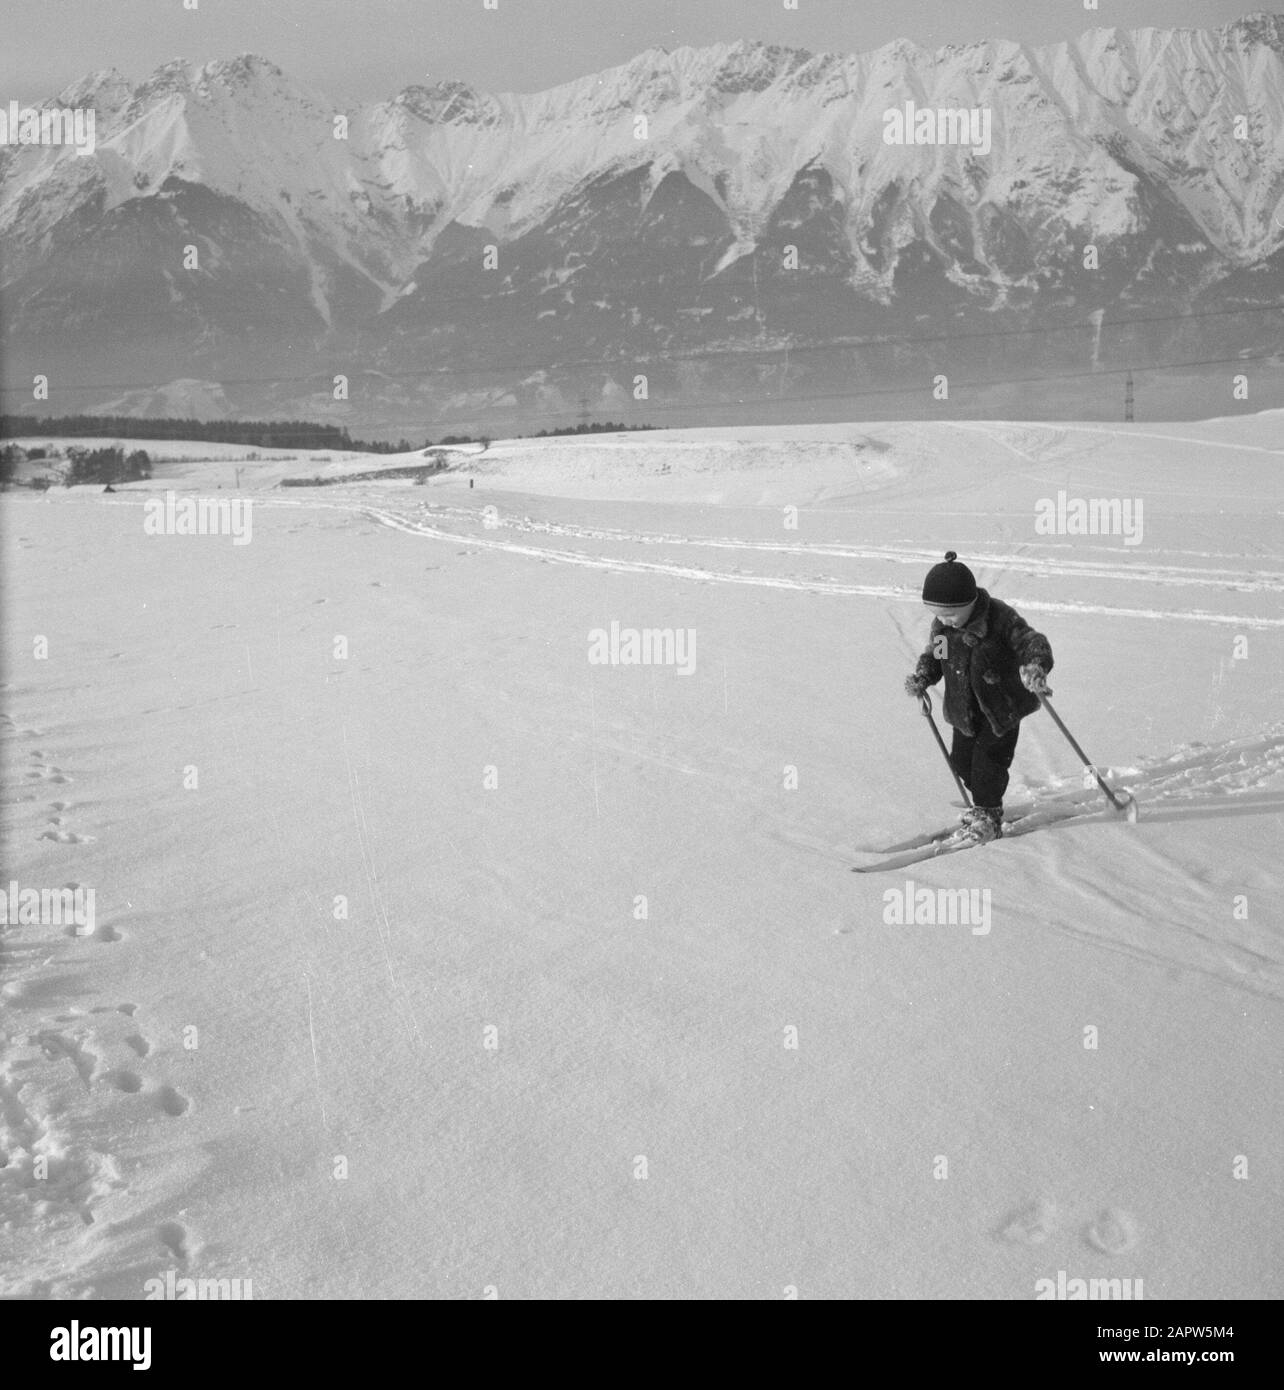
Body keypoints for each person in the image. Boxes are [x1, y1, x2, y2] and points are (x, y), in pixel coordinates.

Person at [904, 552, 1053, 843]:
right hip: (963, 709)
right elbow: (937, 656)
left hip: (1001, 709)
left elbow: (1032, 642)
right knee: (961, 762)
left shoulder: (999, 618)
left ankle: (989, 814)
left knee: (988, 764)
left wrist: (1035, 665)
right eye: (937, 614)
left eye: (950, 613)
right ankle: (985, 803)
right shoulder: (944, 628)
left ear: (970, 602)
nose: (944, 620)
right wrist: (923, 676)